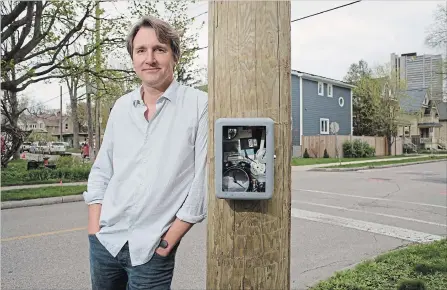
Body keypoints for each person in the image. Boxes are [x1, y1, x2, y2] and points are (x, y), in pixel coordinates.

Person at [83, 15, 208, 290]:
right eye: (141, 50)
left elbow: (202, 184)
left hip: (153, 250)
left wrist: (167, 243)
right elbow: (103, 170)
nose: (149, 58)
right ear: (133, 58)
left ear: (175, 55)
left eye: (159, 49)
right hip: (105, 243)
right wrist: (95, 227)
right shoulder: (121, 107)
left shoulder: (200, 105)